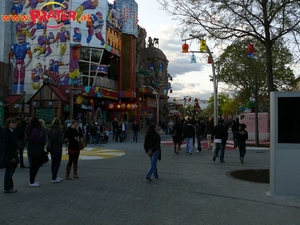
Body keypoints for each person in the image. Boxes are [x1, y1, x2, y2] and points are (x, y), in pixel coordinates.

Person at [2, 118, 18, 193]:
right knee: (9, 171)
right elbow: (6, 145)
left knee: (11, 170)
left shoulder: (12, 132)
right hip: (9, 154)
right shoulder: (6, 132)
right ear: (8, 124)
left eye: (14, 123)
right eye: (12, 123)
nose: (14, 124)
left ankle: (9, 186)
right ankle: (8, 187)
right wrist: (11, 156)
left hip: (13, 153)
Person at [26, 117, 43, 187]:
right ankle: (32, 181)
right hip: (36, 150)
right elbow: (38, 139)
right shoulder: (35, 130)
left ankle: (32, 180)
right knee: (35, 166)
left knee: (33, 166)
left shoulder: (29, 129)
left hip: (31, 149)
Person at [47, 117, 65, 183]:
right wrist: (65, 140)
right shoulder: (59, 130)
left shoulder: (50, 129)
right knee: (57, 163)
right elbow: (60, 140)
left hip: (51, 148)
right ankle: (54, 177)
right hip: (57, 148)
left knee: (53, 163)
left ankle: (54, 176)